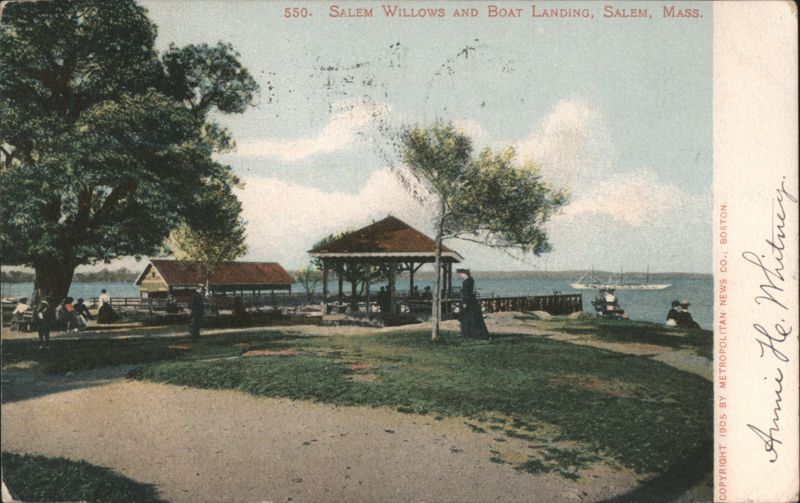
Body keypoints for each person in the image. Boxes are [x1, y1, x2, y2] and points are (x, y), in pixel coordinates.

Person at [457, 268, 489, 339]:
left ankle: (467, 333)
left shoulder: (466, 281)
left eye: (461, 274)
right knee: (474, 318)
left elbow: (467, 293)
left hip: (468, 301)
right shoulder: (471, 280)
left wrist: (465, 302)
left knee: (467, 317)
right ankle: (473, 333)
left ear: (464, 274)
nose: (461, 276)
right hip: (472, 301)